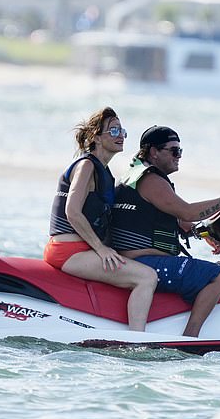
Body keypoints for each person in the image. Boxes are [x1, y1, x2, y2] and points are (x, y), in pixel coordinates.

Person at [110, 125, 220, 338]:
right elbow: (187, 211)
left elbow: (176, 219)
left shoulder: (134, 174)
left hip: (135, 259)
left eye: (180, 152)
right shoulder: (150, 180)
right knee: (219, 276)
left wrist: (203, 234)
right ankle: (191, 337)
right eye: (174, 151)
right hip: (145, 262)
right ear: (154, 152)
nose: (179, 156)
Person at [44, 107, 159, 332]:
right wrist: (101, 250)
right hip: (68, 252)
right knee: (146, 277)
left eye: (122, 131)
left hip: (80, 250)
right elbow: (72, 212)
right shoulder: (86, 166)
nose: (120, 136)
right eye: (113, 130)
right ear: (95, 137)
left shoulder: (104, 171)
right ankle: (137, 341)